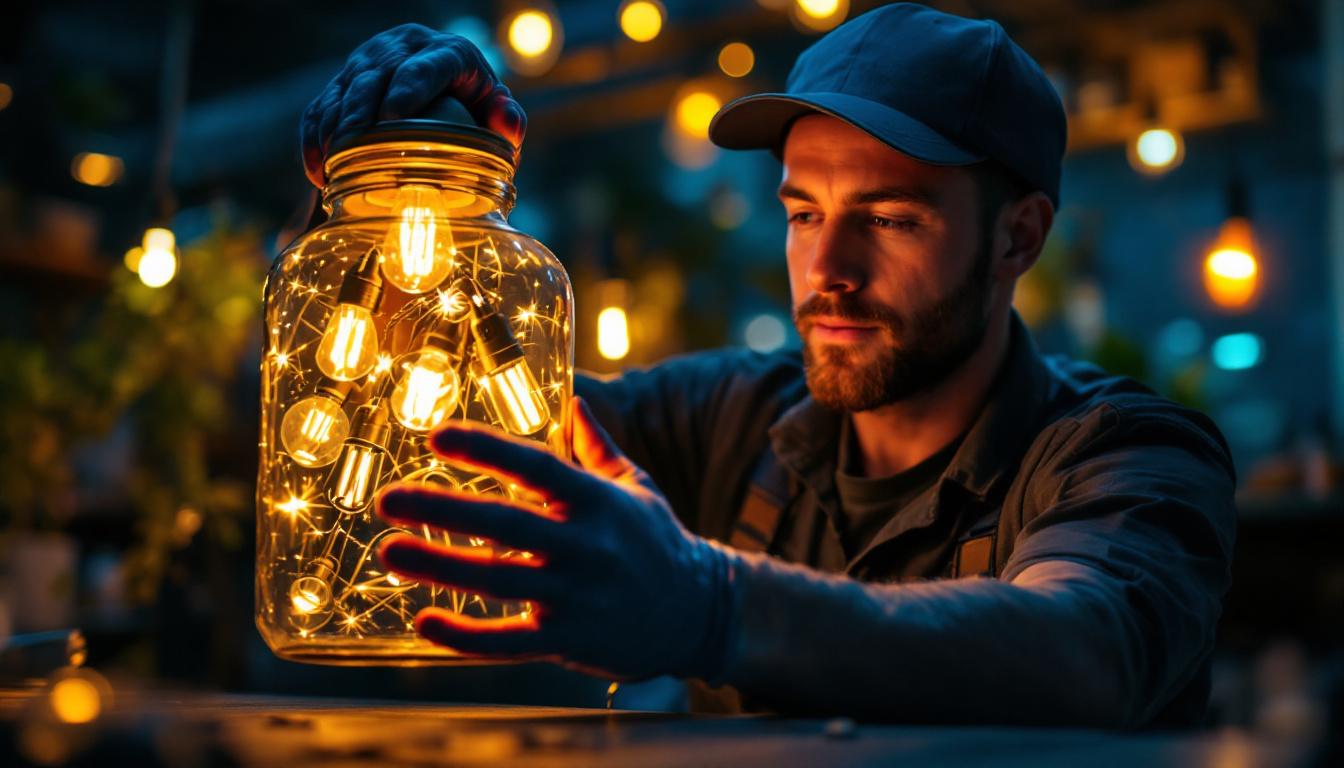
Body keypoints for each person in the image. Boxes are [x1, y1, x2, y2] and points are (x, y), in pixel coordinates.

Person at [300, 4, 1236, 727]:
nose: (827, 271)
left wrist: (712, 608)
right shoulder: (727, 417)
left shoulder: (1129, 455)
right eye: (803, 213)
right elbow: (432, 436)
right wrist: (391, 198)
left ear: (1017, 238)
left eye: (889, 218)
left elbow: (1082, 651)